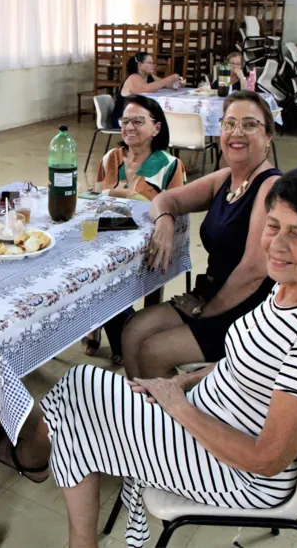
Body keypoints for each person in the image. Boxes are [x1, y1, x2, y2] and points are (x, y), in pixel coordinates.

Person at [0, 164, 297, 548]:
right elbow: (252, 365)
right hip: (212, 421)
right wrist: (184, 380)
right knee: (79, 396)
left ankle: (65, 513)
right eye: (272, 225)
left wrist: (179, 407)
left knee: (76, 394)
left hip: (241, 476)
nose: (275, 245)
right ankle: (77, 531)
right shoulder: (290, 289)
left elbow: (266, 460)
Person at [121, 90, 283, 379]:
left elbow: (254, 271)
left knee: (152, 350)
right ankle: (145, 416)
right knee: (133, 330)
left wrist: (206, 311)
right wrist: (166, 222)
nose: (237, 132)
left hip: (244, 309)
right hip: (210, 293)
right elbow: (165, 200)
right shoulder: (227, 178)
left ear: (268, 137)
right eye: (229, 123)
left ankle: (176, 417)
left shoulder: (269, 185)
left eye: (249, 124)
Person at [81, 95, 186, 365]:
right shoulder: (111, 157)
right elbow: (98, 201)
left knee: (109, 276)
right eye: (125, 121)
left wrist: (121, 193)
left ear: (156, 128)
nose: (129, 127)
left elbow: (176, 211)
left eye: (138, 121)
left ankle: (116, 327)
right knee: (86, 265)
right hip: (107, 238)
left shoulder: (169, 165)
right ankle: (105, 325)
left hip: (145, 244)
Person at [110, 52, 182, 128]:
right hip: (125, 118)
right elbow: (146, 88)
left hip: (138, 115)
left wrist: (175, 84)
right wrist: (173, 77)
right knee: (159, 122)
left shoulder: (149, 76)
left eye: (153, 63)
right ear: (140, 65)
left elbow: (163, 84)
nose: (153, 65)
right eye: (150, 63)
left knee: (162, 119)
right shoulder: (133, 77)